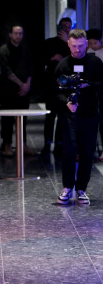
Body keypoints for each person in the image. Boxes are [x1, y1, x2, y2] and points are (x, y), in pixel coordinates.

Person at [54, 29, 103, 205]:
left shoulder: (95, 63)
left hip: (89, 114)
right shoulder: (63, 65)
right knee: (69, 150)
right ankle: (67, 187)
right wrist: (66, 103)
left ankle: (81, 189)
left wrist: (88, 84)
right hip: (69, 114)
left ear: (86, 44)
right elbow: (55, 91)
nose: (77, 50)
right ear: (69, 44)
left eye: (81, 46)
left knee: (87, 152)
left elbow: (102, 85)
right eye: (74, 46)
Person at [0, 25, 34, 156]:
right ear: (10, 35)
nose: (18, 36)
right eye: (16, 33)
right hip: (8, 90)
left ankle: (22, 145)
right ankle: (7, 145)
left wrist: (27, 85)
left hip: (24, 90)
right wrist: (21, 84)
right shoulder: (3, 50)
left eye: (20, 33)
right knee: (7, 119)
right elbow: (7, 71)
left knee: (23, 118)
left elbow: (30, 69)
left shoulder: (26, 50)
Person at [42, 18, 72, 159]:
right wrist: (53, 58)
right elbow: (41, 60)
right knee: (50, 114)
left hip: (65, 84)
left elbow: (74, 59)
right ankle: (47, 143)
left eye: (69, 26)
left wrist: (68, 41)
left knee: (63, 115)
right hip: (51, 83)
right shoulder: (49, 43)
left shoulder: (72, 44)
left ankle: (60, 143)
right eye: (64, 26)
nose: (66, 29)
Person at [86, 28, 103, 162]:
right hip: (90, 91)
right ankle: (89, 149)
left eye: (95, 43)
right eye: (90, 43)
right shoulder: (87, 52)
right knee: (90, 122)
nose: (92, 46)